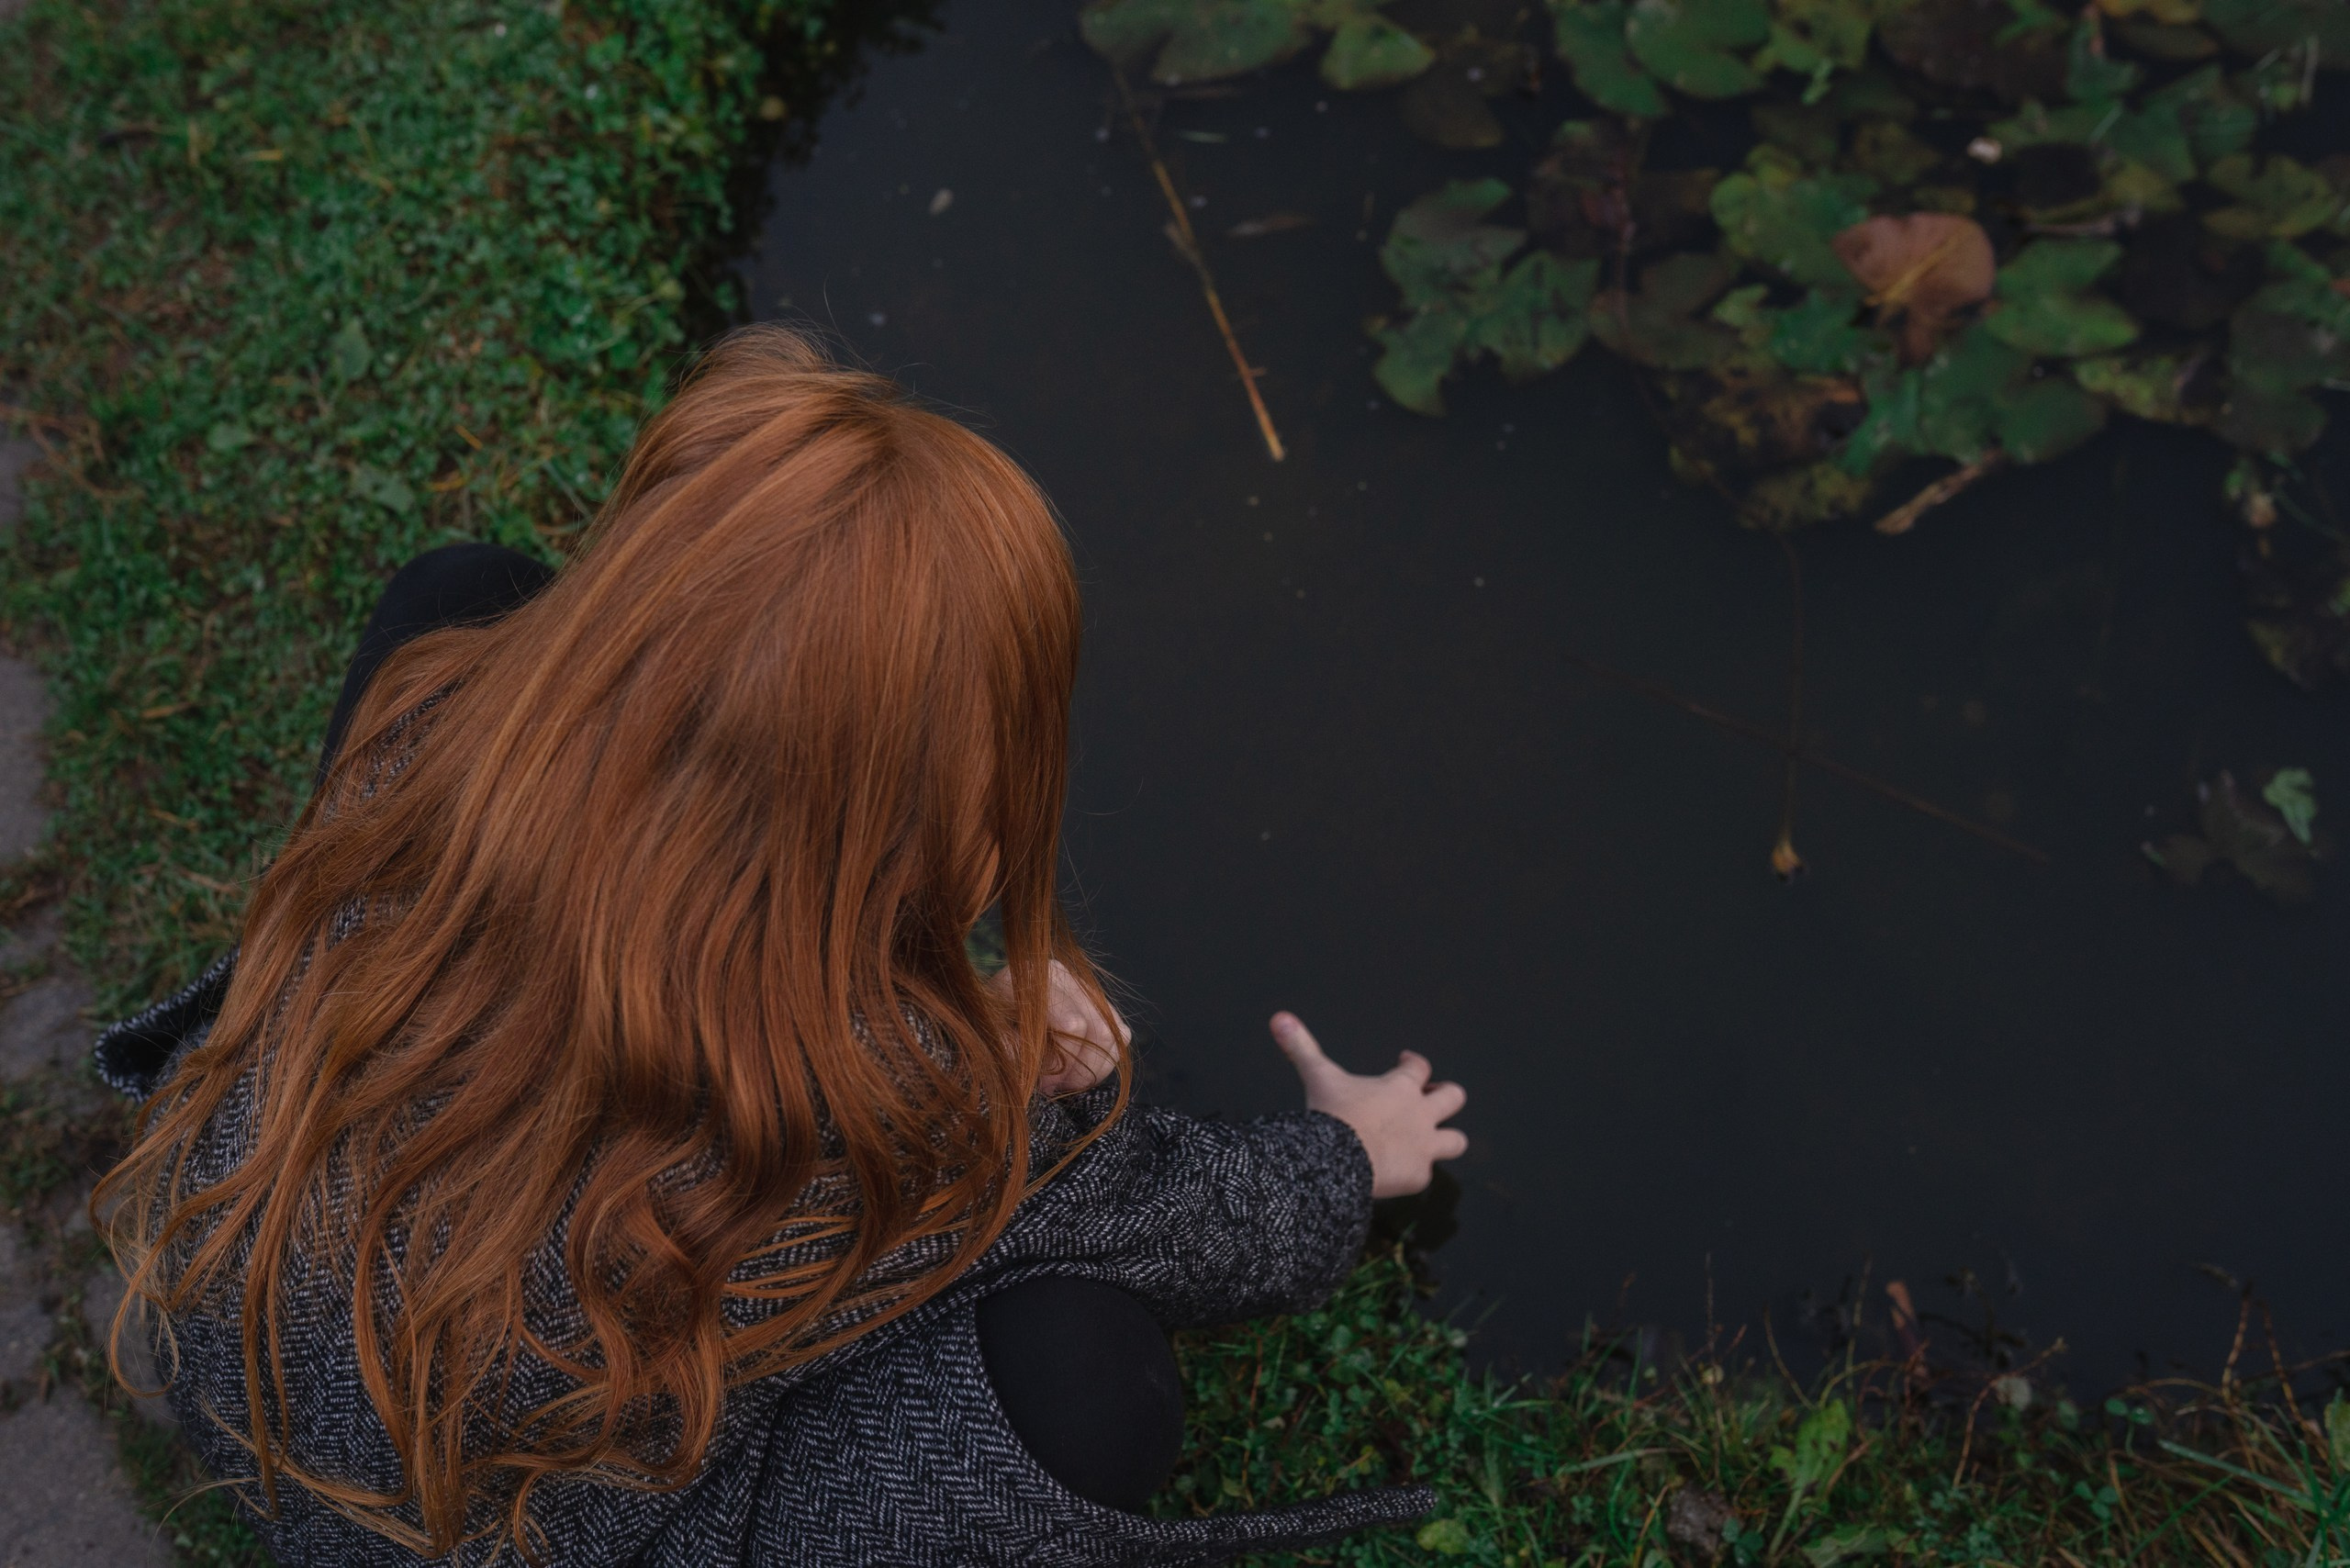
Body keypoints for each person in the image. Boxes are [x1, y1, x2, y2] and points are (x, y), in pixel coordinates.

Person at [90, 326, 1468, 1566]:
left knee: (469, 586)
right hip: (494, 1540)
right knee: (1086, 1372)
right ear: (922, 818)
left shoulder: (435, 731)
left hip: (247, 1381)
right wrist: (1351, 1149)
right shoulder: (889, 1098)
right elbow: (1204, 1229)